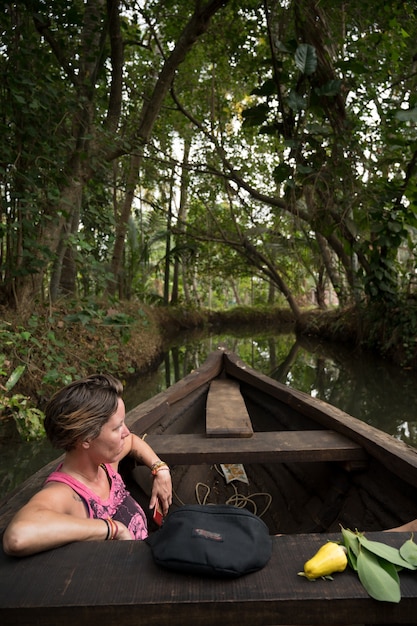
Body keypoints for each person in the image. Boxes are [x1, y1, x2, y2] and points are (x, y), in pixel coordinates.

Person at [2, 374, 172, 557]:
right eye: (117, 428)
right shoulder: (65, 493)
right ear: (86, 439)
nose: (126, 431)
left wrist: (160, 469)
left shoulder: (105, 465)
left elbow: (131, 441)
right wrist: (113, 528)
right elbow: (17, 536)